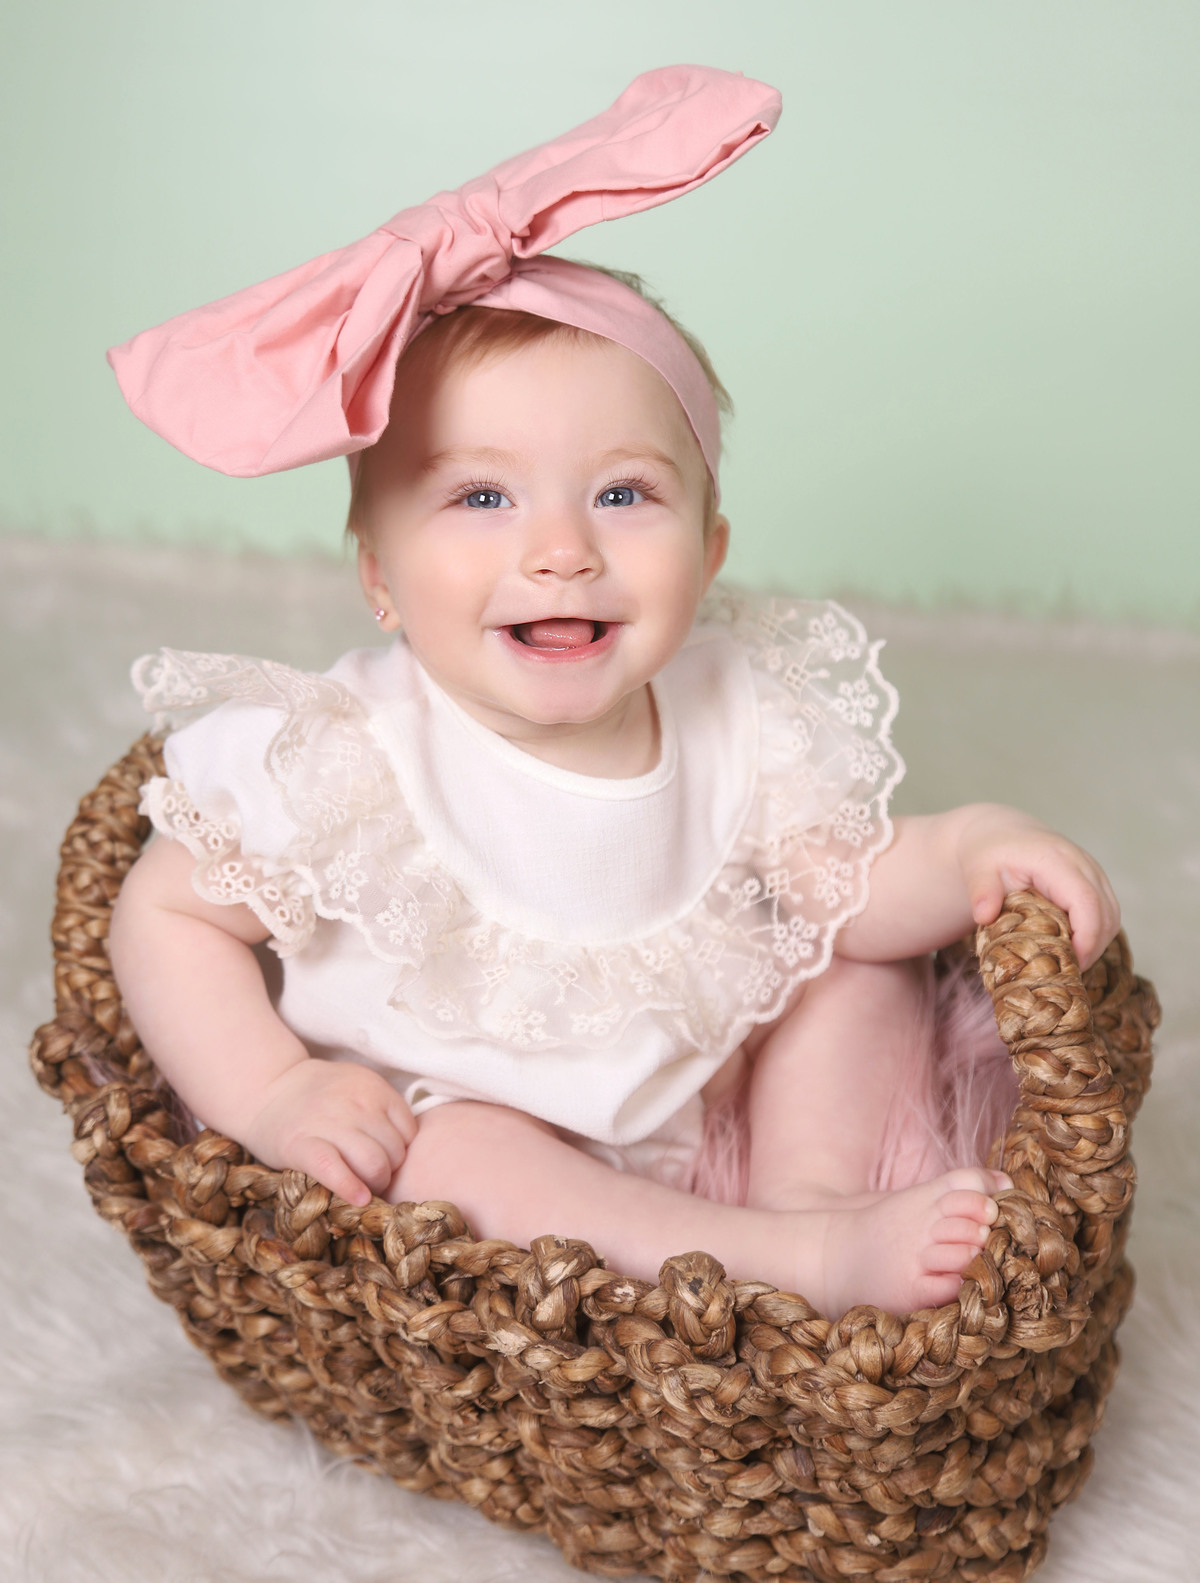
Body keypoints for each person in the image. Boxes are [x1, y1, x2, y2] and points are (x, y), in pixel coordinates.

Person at [106, 67, 1119, 1320]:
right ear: (378, 579)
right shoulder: (344, 754)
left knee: (859, 967)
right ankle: (780, 1263)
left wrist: (969, 848)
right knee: (453, 1161)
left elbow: (845, 888)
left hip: (710, 1076)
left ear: (711, 552)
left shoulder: (734, 704)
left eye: (623, 494)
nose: (560, 551)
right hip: (492, 1121)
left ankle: (806, 1195)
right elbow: (164, 916)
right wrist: (273, 1092)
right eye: (481, 496)